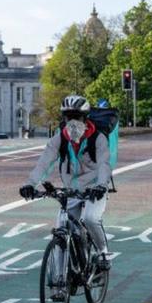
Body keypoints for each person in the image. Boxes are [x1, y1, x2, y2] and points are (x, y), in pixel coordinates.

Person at [19, 95, 113, 272]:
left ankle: (103, 253)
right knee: (61, 229)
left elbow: (104, 164)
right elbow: (44, 162)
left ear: (85, 118)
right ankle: (59, 282)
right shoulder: (60, 138)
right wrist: (30, 184)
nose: (72, 122)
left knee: (91, 219)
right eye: (68, 117)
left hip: (94, 189)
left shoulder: (98, 139)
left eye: (76, 117)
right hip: (72, 190)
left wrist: (101, 185)